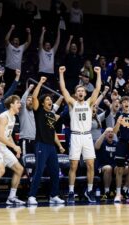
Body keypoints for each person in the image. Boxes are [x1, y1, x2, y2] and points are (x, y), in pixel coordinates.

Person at [59, 65, 101, 203]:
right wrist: (61, 74)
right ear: (76, 94)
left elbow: (97, 89)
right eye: (79, 91)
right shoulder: (72, 104)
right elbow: (63, 90)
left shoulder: (89, 103)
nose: (81, 92)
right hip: (76, 135)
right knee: (73, 166)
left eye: (83, 90)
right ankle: (71, 192)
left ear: (85, 93)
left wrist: (99, 74)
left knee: (90, 164)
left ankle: (89, 191)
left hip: (87, 136)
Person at [27, 76, 65, 205]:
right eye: (47, 99)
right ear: (43, 103)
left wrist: (59, 146)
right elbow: (34, 98)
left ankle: (54, 195)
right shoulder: (39, 111)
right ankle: (31, 196)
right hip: (40, 144)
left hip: (51, 146)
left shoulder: (51, 114)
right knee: (39, 170)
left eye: (50, 99)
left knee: (55, 171)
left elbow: (52, 132)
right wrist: (40, 83)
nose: (50, 101)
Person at [94, 127, 117, 201]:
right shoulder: (102, 142)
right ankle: (107, 192)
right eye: (108, 132)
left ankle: (124, 190)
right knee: (108, 168)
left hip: (114, 166)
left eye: (112, 132)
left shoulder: (116, 143)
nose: (110, 133)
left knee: (127, 168)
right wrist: (104, 133)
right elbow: (96, 147)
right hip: (101, 167)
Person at [19, 84, 36, 155]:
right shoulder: (22, 110)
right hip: (25, 139)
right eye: (28, 100)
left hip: (35, 140)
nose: (30, 101)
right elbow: (22, 101)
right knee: (25, 160)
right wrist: (29, 89)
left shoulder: (35, 112)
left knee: (35, 161)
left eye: (31, 100)